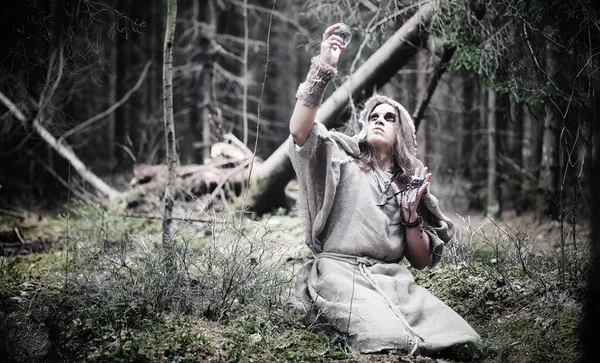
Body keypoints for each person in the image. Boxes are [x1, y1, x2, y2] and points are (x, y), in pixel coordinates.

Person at [288, 24, 481, 356]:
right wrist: (323, 69)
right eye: (372, 116)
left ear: (401, 133)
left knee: (460, 339)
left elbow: (419, 261)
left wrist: (409, 216)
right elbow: (299, 131)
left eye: (388, 117)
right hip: (338, 273)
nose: (377, 119)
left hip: (394, 281)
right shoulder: (340, 158)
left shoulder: (408, 183)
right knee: (390, 340)